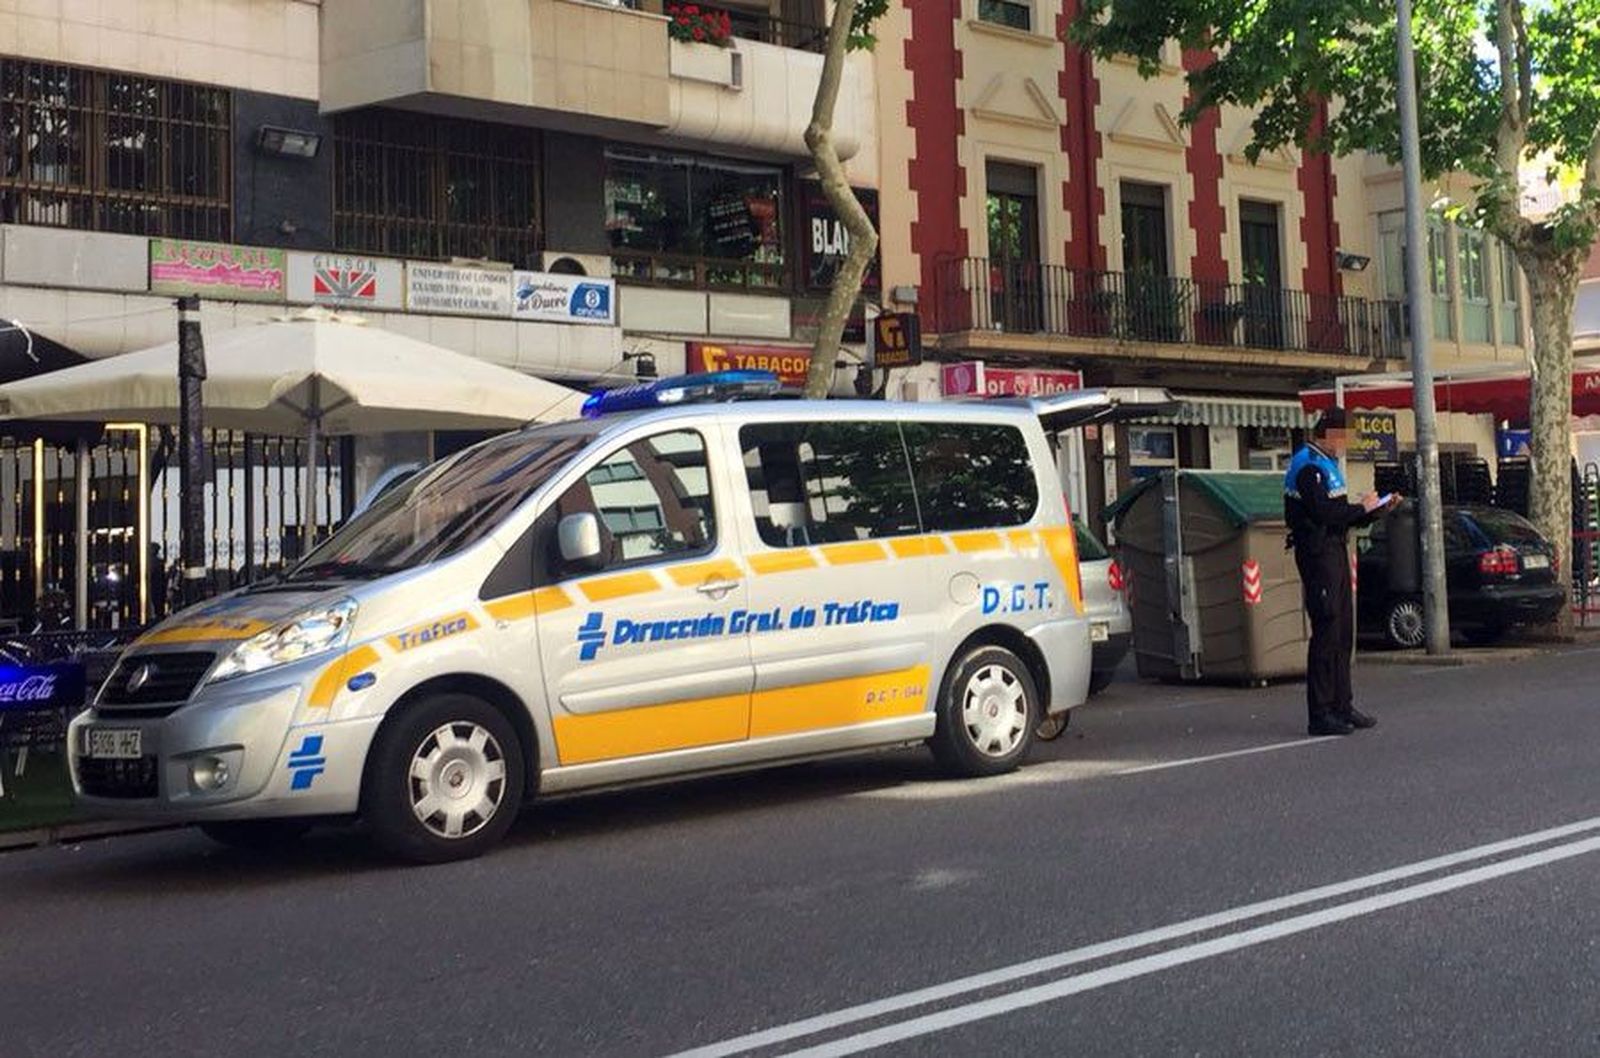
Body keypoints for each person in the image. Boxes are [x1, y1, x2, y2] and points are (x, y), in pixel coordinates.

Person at [1284, 408, 1398, 736]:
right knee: (1327, 631)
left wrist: (1374, 511)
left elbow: (1341, 516)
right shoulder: (1307, 465)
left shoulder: (1328, 465)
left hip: (1334, 551)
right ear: (1330, 433)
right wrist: (1360, 507)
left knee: (1343, 632)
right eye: (1344, 436)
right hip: (1317, 554)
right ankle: (1320, 713)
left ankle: (1342, 705)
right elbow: (1323, 512)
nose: (1347, 444)